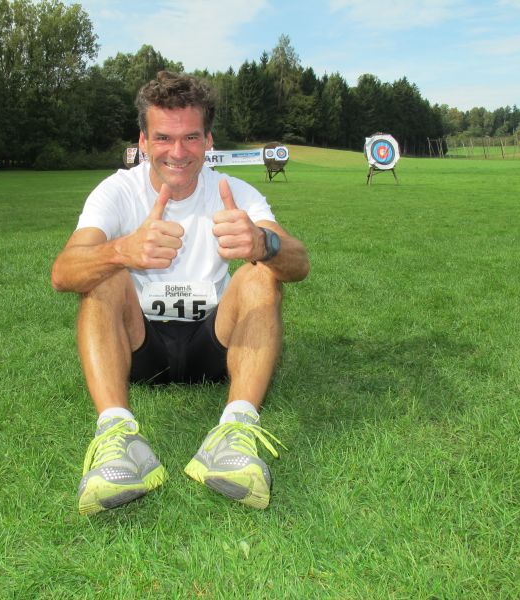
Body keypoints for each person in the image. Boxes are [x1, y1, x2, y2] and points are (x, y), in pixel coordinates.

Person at [51, 71, 309, 515]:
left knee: (262, 274)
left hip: (214, 347)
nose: (177, 152)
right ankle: (117, 439)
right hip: (140, 347)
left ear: (208, 141)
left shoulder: (234, 191)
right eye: (163, 138)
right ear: (143, 141)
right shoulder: (117, 191)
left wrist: (262, 244)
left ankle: (235, 434)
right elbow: (63, 272)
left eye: (190, 137)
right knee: (105, 273)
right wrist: (122, 251)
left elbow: (299, 262)